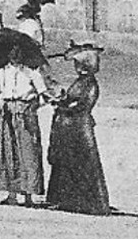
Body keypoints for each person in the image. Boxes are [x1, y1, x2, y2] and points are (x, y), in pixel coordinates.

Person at [45, 43, 112, 215]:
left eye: (78, 63)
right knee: (67, 161)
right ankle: (65, 199)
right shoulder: (81, 81)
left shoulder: (89, 84)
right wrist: (60, 100)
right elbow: (71, 100)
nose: (75, 67)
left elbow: (82, 105)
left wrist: (62, 106)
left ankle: (84, 201)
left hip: (79, 127)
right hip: (71, 126)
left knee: (81, 162)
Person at [0, 40, 49, 206]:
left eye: (18, 52)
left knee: (28, 152)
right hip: (6, 115)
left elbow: (43, 96)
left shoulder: (32, 74)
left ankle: (29, 194)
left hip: (25, 114)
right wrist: (0, 104)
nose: (15, 55)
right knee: (9, 152)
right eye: (12, 52)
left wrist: (33, 105)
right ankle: (12, 194)